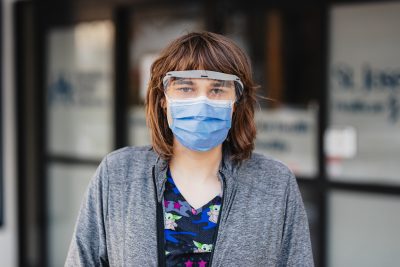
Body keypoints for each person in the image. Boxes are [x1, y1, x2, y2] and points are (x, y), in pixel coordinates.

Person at [65, 31, 314, 267]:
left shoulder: (275, 183)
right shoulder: (118, 175)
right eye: (186, 88)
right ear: (163, 99)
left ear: (236, 102)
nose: (202, 102)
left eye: (217, 89)